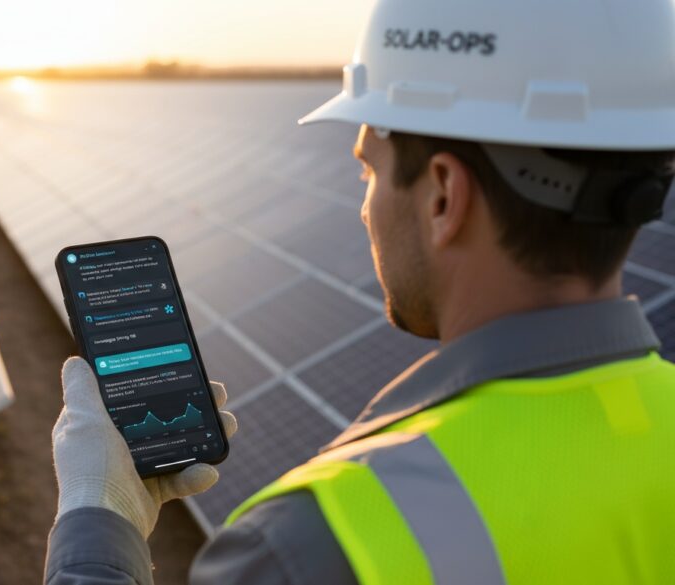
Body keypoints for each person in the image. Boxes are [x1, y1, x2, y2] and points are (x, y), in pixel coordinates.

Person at [45, 0, 675, 582]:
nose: (365, 208)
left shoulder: (307, 546)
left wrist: (99, 517)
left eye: (368, 168)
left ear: (443, 197)